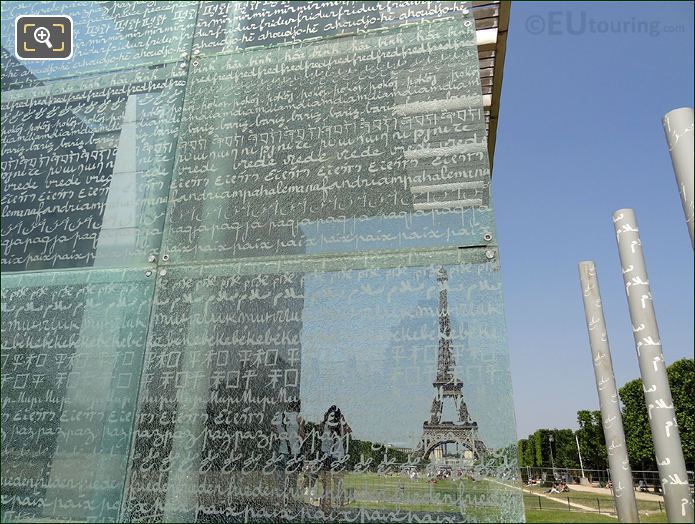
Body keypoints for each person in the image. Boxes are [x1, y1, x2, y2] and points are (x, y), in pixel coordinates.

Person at [271, 399, 305, 506]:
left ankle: (280, 506)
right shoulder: (299, 418)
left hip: (281, 452)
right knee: (292, 481)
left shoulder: (279, 416)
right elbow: (302, 436)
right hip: (294, 452)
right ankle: (289, 504)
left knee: (281, 482)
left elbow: (273, 429)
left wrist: (283, 435)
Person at [319, 405, 352, 513]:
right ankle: (339, 509)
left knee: (326, 485)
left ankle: (326, 508)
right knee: (338, 485)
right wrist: (343, 421)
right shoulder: (341, 426)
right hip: (338, 456)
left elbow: (320, 433)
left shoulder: (324, 424)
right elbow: (349, 431)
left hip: (327, 456)